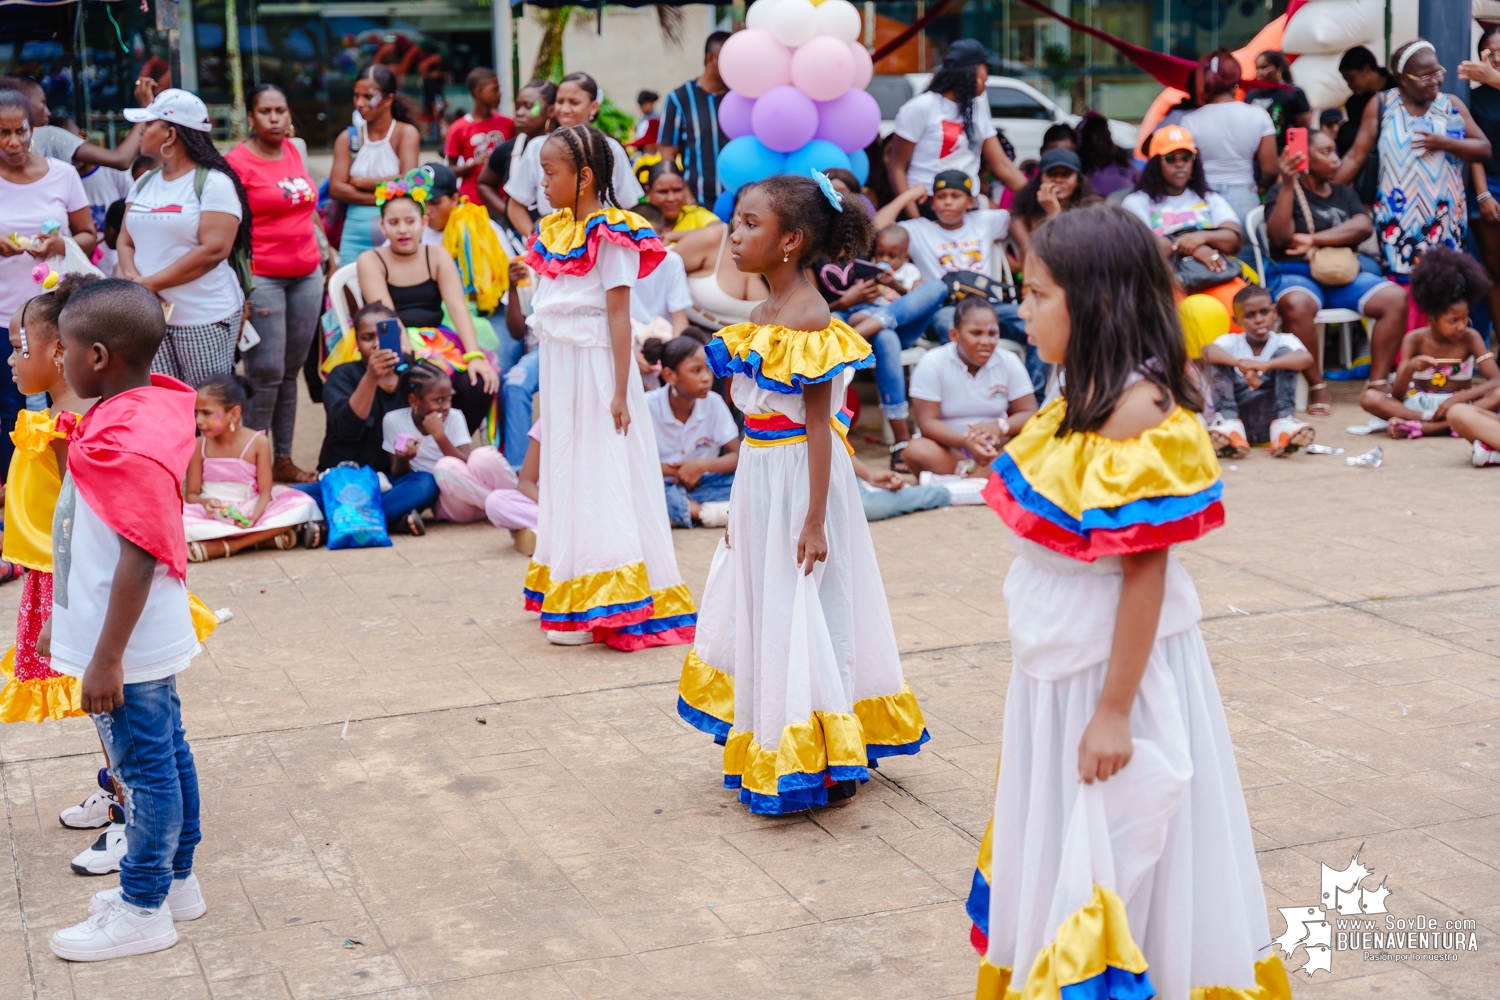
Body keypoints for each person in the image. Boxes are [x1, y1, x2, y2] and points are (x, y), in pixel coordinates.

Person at [968, 203, 1281, 1000]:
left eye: (1037, 295)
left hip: (1114, 672)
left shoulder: (1136, 412)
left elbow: (1144, 574)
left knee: (1123, 840)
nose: (1022, 311)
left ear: (1096, 302)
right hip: (1059, 658)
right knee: (1072, 829)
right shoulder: (1077, 390)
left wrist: (1113, 711)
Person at [675, 171, 928, 814]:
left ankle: (818, 745)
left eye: (750, 225)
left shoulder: (811, 316)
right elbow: (757, 426)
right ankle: (783, 733)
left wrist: (814, 519)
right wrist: (741, 506)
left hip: (802, 481)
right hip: (764, 477)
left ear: (790, 241)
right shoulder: (763, 314)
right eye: (736, 222)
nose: (733, 235)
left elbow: (822, 427)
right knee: (771, 600)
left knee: (806, 604)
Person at [46, 279, 208, 962]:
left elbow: (138, 559)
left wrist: (105, 656)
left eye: (64, 349)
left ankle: (143, 908)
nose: (56, 360)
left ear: (101, 357)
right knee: (166, 756)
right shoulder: (133, 412)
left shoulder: (127, 439)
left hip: (129, 642)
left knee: (143, 774)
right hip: (132, 633)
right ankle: (176, 884)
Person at [521, 123, 695, 650]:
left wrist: (621, 391)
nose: (543, 185)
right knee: (569, 466)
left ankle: (608, 596)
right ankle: (572, 585)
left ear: (586, 176)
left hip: (599, 369)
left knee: (601, 469)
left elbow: (620, 318)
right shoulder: (552, 230)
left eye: (551, 174)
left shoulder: (613, 232)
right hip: (562, 369)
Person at [1335, 38, 1492, 383]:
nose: (1435, 80)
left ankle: (1442, 368)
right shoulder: (1382, 103)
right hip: (1398, 219)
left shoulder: (1450, 105)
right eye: (1425, 76)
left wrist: (1445, 143)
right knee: (1403, 288)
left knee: (1443, 290)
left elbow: (1483, 148)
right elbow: (1356, 155)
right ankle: (1403, 368)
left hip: (1445, 218)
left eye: (1437, 72)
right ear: (1403, 79)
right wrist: (1325, 189)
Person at [1264, 129, 1408, 417]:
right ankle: (1317, 385)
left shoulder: (1343, 193)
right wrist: (1289, 183)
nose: (1336, 159)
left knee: (1394, 298)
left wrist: (1313, 239)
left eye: (1335, 151)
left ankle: (1377, 384)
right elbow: (1279, 238)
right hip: (1298, 275)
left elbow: (1363, 226)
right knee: (1296, 304)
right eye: (1326, 152)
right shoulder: (1282, 191)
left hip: (1341, 277)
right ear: (1304, 156)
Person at [225, 84, 324, 484]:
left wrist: (326, 251)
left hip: (307, 274)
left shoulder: (294, 150)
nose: (274, 118)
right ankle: (248, 464)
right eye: (265, 111)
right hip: (262, 276)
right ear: (250, 117)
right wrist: (237, 289)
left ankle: (281, 458)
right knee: (264, 372)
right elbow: (229, 228)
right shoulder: (236, 162)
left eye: (280, 110)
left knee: (291, 371)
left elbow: (309, 208)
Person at [116, 89, 249, 386]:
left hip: (203, 317)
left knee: (207, 407)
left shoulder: (215, 184)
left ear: (170, 134)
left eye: (148, 124)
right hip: (151, 318)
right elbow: (125, 240)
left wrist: (150, 284)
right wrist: (137, 284)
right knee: (165, 407)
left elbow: (215, 250)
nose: (140, 131)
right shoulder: (144, 182)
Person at [354, 168, 500, 435]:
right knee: (423, 382)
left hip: (438, 342)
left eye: (410, 221)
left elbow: (457, 307)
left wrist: (475, 356)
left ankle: (451, 447)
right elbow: (387, 317)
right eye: (394, 223)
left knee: (479, 383)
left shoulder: (437, 255)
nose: (402, 230)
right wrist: (413, 360)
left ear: (423, 221)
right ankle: (413, 454)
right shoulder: (371, 260)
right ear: (383, 225)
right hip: (392, 342)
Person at [0, 88, 96, 475]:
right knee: (10, 412)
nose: (13, 141)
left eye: (20, 131)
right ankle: (13, 498)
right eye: (2, 133)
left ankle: (63, 492)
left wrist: (62, 242)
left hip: (55, 318)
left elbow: (89, 234)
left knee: (64, 409)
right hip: (4, 318)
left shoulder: (63, 174)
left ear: (33, 129)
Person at [295, 304, 439, 535]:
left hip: (389, 482)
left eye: (383, 335)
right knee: (288, 495)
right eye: (367, 337)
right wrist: (371, 379)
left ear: (398, 335)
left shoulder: (418, 376)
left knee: (426, 484)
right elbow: (346, 430)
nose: (376, 344)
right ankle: (387, 520)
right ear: (357, 343)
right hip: (343, 479)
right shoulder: (341, 375)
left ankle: (340, 520)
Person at [1362, 248, 1499, 439]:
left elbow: (1496, 379)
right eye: (1453, 321)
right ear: (1431, 319)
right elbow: (1397, 394)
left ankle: (1428, 428)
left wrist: (1459, 398)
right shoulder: (1414, 339)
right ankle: (1431, 421)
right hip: (1417, 406)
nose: (1461, 326)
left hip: (1460, 407)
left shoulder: (1471, 337)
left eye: (1465, 318)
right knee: (1370, 398)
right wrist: (1410, 368)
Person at [182, 374, 321, 561]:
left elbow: (265, 493)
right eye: (196, 413)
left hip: (251, 508)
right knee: (175, 522)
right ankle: (263, 539)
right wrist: (207, 504)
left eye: (206, 413)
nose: (199, 421)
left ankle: (232, 544)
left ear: (234, 414)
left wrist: (253, 517)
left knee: (304, 507)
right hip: (210, 514)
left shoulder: (258, 443)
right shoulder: (199, 445)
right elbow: (191, 495)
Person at [1121, 125, 1248, 328]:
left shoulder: (1209, 198)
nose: (1179, 164)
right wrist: (1195, 246)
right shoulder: (1137, 202)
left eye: (1186, 157)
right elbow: (1145, 246)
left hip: (1211, 276)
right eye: (1170, 158)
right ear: (1156, 163)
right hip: (1164, 280)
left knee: (1239, 309)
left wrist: (1201, 238)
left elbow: (1233, 240)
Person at [903, 297, 1037, 477]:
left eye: (992, 333)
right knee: (916, 450)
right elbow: (927, 423)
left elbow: (1030, 413)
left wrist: (999, 426)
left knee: (1036, 443)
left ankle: (967, 479)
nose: (986, 341)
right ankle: (987, 478)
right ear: (954, 335)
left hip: (995, 449)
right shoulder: (932, 362)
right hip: (950, 450)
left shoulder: (1008, 361)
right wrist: (966, 442)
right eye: (976, 333)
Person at [889, 40, 1026, 212]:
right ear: (972, 71)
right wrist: (915, 217)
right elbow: (897, 167)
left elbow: (1002, 165)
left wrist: (1035, 198)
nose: (987, 77)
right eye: (986, 69)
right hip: (928, 204)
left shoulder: (976, 110)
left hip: (966, 204)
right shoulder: (922, 106)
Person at [504, 74, 644, 238]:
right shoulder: (538, 147)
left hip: (600, 240)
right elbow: (515, 205)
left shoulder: (611, 149)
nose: (564, 109)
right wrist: (537, 242)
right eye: (560, 101)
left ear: (593, 107)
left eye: (574, 102)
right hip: (554, 244)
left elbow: (630, 204)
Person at [1202, 285, 1315, 457]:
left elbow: (1306, 359)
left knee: (1287, 356)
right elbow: (1207, 351)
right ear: (1237, 321)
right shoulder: (1230, 341)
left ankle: (1284, 426)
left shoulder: (1284, 340)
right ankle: (1229, 425)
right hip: (1237, 415)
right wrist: (1241, 365)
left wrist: (1263, 366)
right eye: (1250, 315)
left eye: (1264, 312)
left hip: (1269, 418)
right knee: (1216, 361)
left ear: (1274, 313)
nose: (1259, 319)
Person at [1180, 48, 1278, 236]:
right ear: (1235, 81)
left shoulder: (1189, 121)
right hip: (1244, 197)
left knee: (1207, 261)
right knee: (1248, 262)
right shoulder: (1259, 115)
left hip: (1202, 198)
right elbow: (1270, 170)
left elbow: (1188, 168)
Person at [329, 64, 422, 260]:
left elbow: (409, 181)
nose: (359, 103)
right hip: (353, 236)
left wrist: (362, 183)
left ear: (388, 99)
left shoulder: (406, 134)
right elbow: (336, 188)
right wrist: (386, 195)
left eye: (368, 97)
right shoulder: (348, 138)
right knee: (349, 288)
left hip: (397, 234)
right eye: (356, 96)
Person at [644, 335, 738, 528]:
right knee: (638, 490)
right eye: (696, 371)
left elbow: (738, 456)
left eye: (708, 369)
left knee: (745, 484)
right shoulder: (646, 406)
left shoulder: (713, 402)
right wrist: (678, 470)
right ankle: (702, 513)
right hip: (656, 484)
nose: (706, 377)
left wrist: (699, 466)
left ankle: (681, 511)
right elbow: (632, 462)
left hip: (701, 484)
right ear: (670, 375)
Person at [2, 74, 152, 174]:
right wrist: (146, 111)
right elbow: (121, 159)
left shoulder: (48, 137)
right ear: (22, 102)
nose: (48, 112)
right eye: (42, 103)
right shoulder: (49, 136)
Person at [657, 32, 731, 211]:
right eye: (729, 58)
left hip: (740, 206)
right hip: (697, 206)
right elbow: (668, 157)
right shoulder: (679, 98)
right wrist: (688, 199)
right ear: (710, 59)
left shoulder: (742, 97)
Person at [1458, 26, 1500, 341]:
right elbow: (1472, 148)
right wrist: (1483, 192)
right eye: (1491, 51)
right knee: (1491, 270)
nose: (1497, 57)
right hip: (1490, 184)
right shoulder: (1472, 98)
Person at [476, 79, 555, 228]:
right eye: (518, 107)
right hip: (520, 239)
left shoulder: (565, 147)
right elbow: (484, 183)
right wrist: (508, 212)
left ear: (551, 110)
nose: (519, 113)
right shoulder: (509, 149)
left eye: (529, 106)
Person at [1006, 147, 1100, 257]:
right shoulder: (1021, 219)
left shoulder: (1091, 215)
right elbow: (1036, 258)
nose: (1058, 180)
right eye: (1052, 174)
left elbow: (1076, 257)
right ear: (1040, 179)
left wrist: (1054, 213)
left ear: (1078, 181)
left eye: (1066, 174)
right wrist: (1053, 212)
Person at [444, 67, 514, 207]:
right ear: (479, 92)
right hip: (472, 202)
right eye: (495, 89)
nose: (500, 93)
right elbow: (449, 171)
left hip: (503, 200)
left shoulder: (508, 123)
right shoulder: (458, 128)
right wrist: (473, 163)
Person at [636, 159, 718, 241]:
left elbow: (720, 230)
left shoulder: (696, 215)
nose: (671, 198)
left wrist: (671, 237)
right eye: (663, 192)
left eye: (677, 190)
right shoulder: (637, 220)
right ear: (648, 192)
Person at [1244, 49, 1311, 149]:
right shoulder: (1251, 94)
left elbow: (1303, 127)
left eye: (1264, 67)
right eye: (1257, 68)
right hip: (1254, 151)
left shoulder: (1294, 92)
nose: (1259, 73)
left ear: (1279, 67)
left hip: (1283, 151)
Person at [1336, 46, 1396, 156]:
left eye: (1351, 78)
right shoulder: (1353, 103)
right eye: (1346, 80)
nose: (1349, 84)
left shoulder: (1399, 89)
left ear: (1366, 69)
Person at [1077, 111, 1138, 198]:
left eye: (1108, 135)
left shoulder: (1124, 165)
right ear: (1088, 144)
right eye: (1100, 139)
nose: (1108, 142)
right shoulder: (1083, 172)